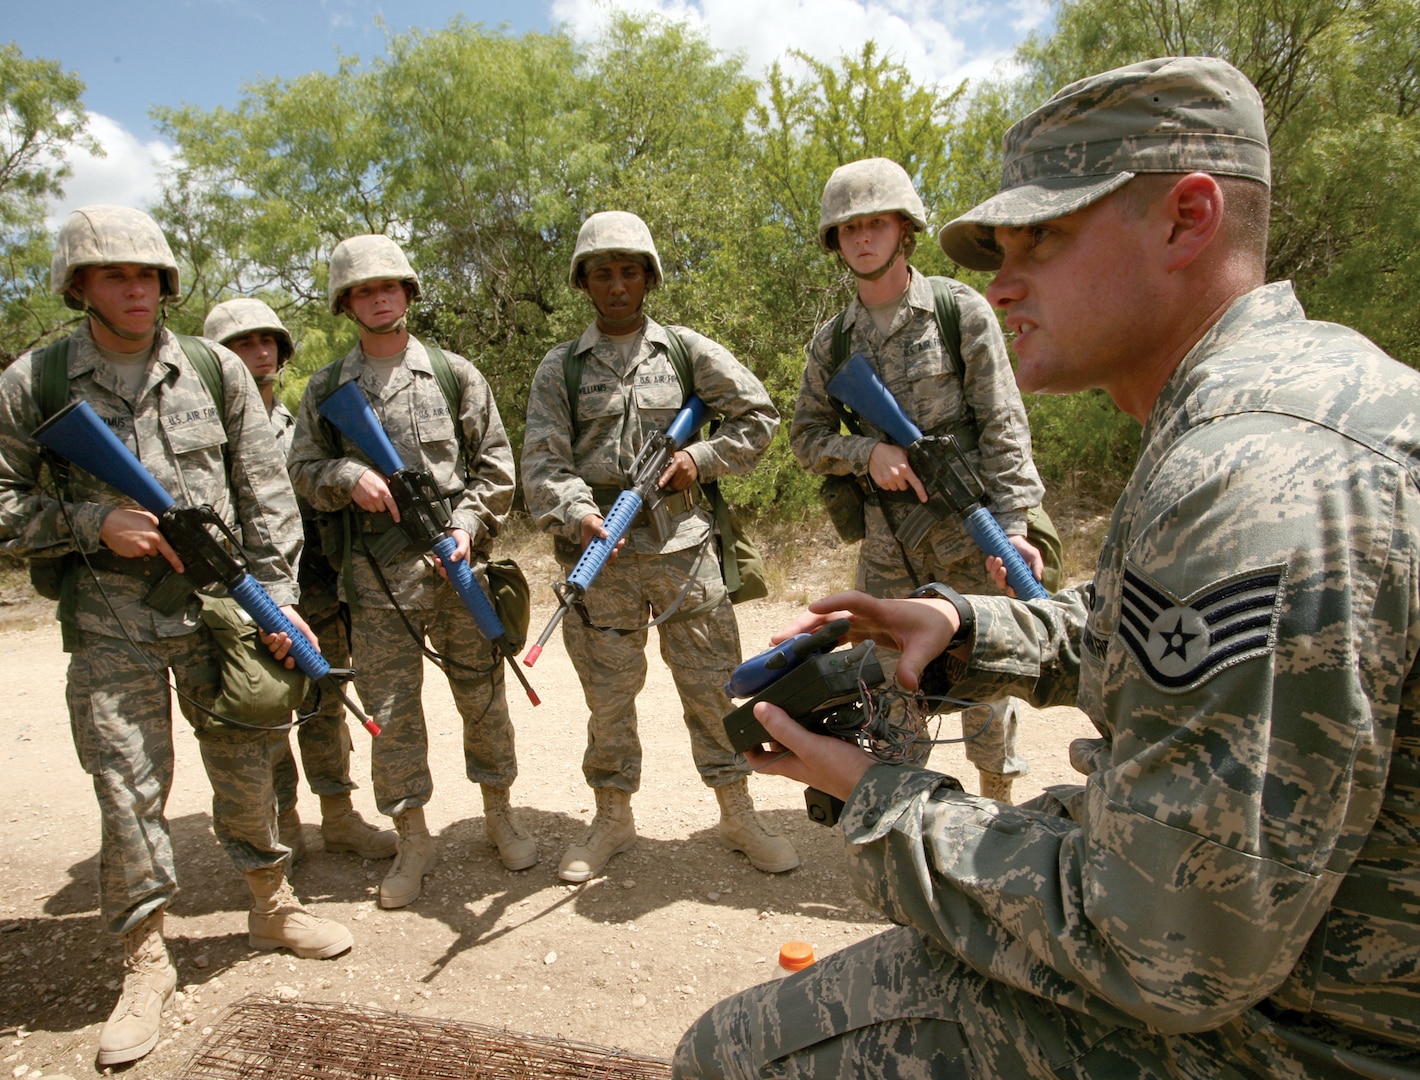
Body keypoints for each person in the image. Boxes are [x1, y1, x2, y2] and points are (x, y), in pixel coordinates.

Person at [674, 56, 1420, 1078]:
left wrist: (874, 799)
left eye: (1046, 238)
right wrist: (971, 629)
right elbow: (1154, 631)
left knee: (730, 1057)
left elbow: (1166, 950)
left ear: (1187, 218)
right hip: (1324, 965)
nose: (1005, 279)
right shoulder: (1271, 405)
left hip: (1323, 1033)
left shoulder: (1260, 472)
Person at [0, 206, 353, 1068]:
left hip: (221, 612)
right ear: (79, 285)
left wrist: (277, 599)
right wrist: (91, 520)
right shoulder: (34, 382)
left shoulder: (212, 369)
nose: (136, 291)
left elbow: (266, 488)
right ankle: (144, 957)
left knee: (251, 759)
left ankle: (271, 905)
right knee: (127, 790)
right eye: (116, 276)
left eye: (149, 276)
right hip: (110, 618)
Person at [521, 210, 796, 883]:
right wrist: (582, 513)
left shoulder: (685, 350)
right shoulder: (561, 367)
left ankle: (737, 812)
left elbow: (758, 418)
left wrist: (699, 460)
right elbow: (542, 466)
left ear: (647, 277)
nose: (616, 285)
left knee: (710, 688)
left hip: (684, 549)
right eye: (602, 273)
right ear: (584, 282)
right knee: (609, 697)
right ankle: (612, 817)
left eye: (628, 271)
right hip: (603, 554)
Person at [790, 157, 1060, 804]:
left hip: (972, 530)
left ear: (903, 229)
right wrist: (866, 455)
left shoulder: (956, 312)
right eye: (848, 228)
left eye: (875, 223)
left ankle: (999, 810)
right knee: (891, 685)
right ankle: (908, 820)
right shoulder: (832, 346)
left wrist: (1015, 526)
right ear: (835, 241)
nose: (861, 238)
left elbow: (1003, 422)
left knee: (987, 678)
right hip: (891, 543)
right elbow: (805, 439)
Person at [288, 234, 533, 909]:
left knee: (483, 696)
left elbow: (497, 466)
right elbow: (302, 471)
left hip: (458, 566)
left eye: (388, 286)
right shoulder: (328, 389)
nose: (378, 297)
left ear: (408, 293)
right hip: (374, 577)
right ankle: (412, 838)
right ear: (347, 303)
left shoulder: (456, 373)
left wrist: (466, 526)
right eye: (364, 290)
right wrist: (348, 474)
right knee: (393, 716)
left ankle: (499, 815)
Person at [203, 298, 397, 866]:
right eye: (243, 344)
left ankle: (337, 816)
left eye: (268, 342)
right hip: (243, 596)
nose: (259, 353)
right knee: (266, 711)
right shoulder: (210, 431)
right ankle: (284, 822)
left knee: (326, 702)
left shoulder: (298, 420)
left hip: (319, 586)